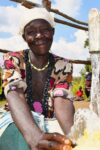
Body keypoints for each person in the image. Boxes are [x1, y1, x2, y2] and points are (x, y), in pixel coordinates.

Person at [0, 8, 75, 150]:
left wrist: (74, 137)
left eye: (44, 30)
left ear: (53, 32)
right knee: (19, 141)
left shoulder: (63, 65)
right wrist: (34, 137)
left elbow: (62, 100)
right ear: (24, 37)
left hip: (50, 121)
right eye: (31, 32)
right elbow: (14, 93)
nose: (39, 35)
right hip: (17, 120)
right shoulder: (12, 59)